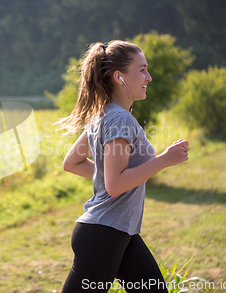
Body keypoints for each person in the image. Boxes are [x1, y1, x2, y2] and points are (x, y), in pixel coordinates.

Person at [55, 40, 189, 292]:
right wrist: (164, 159)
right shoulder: (120, 119)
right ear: (119, 77)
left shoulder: (103, 115)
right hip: (103, 234)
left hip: (117, 232)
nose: (148, 77)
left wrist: (109, 178)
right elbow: (115, 185)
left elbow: (73, 163)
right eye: (142, 70)